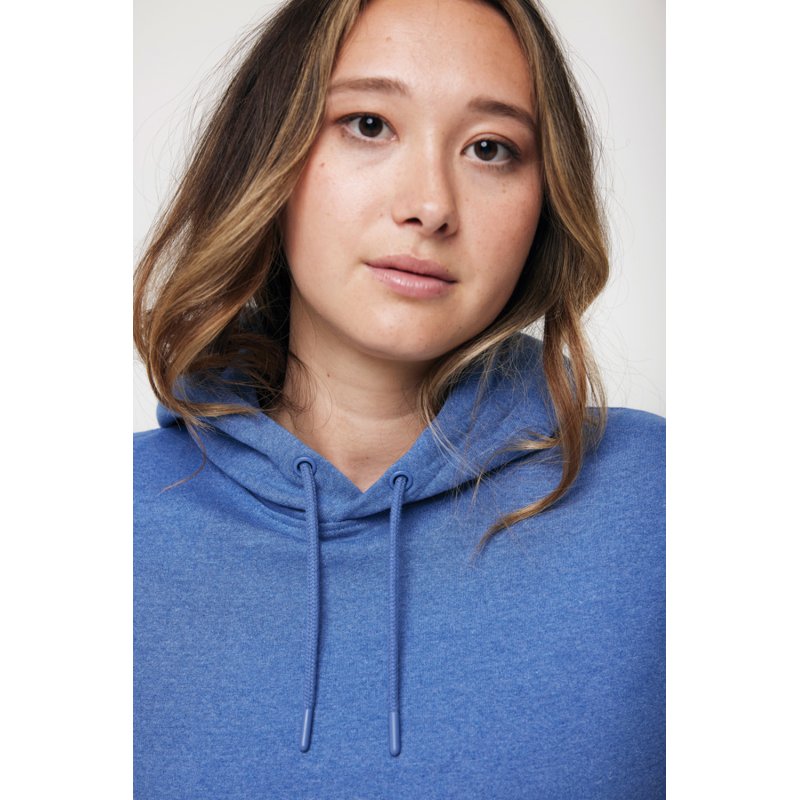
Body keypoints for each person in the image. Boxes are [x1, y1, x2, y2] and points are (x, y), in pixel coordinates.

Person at [134, 0, 665, 796]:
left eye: (490, 148)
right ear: (268, 154)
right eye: (369, 125)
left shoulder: (662, 506)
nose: (430, 205)